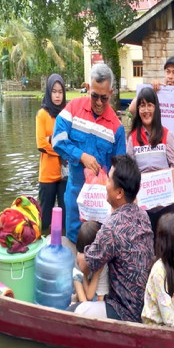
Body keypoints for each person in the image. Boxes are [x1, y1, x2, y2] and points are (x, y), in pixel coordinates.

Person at [75, 155, 154, 322]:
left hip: (125, 311)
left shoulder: (112, 227)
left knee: (76, 311)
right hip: (144, 305)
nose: (105, 184)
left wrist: (80, 255)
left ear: (119, 193)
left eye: (109, 180)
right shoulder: (143, 215)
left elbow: (85, 266)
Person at [53, 63, 126, 244]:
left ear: (111, 93)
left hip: (101, 202)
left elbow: (120, 168)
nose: (99, 103)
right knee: (73, 242)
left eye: (104, 98)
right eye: (94, 96)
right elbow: (57, 140)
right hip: (75, 197)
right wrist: (81, 156)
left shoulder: (117, 127)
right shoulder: (73, 108)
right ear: (88, 88)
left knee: (100, 246)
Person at [129, 56, 174, 225]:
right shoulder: (157, 94)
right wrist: (150, 89)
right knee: (153, 221)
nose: (170, 76)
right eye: (167, 72)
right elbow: (133, 109)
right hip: (155, 175)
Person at [127, 87, 174, 236]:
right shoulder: (132, 138)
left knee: (165, 245)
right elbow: (129, 171)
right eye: (142, 105)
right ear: (138, 109)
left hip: (165, 205)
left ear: (156, 108)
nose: (146, 110)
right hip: (141, 207)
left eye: (150, 105)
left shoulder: (167, 135)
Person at [36, 74, 67, 233]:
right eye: (54, 92)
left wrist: (51, 139)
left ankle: (64, 243)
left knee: (65, 215)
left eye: (60, 92)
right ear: (49, 92)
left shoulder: (67, 114)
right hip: (47, 175)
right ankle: (42, 242)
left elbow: (71, 139)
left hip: (64, 174)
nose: (57, 95)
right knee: (45, 217)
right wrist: (62, 149)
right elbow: (41, 144)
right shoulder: (42, 114)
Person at [73, 220, 109, 302]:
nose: (84, 256)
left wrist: (89, 275)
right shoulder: (80, 257)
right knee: (76, 277)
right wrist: (84, 274)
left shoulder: (102, 264)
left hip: (98, 296)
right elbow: (86, 298)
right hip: (88, 290)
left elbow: (92, 297)